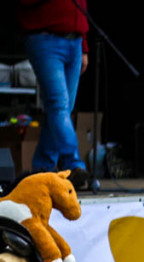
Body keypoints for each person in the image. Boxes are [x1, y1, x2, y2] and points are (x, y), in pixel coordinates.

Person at [16, 0, 90, 190]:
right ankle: (73, 164)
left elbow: (79, 6)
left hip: (74, 41)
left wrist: (83, 45)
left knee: (64, 108)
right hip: (45, 39)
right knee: (59, 105)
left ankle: (43, 167)